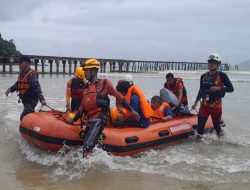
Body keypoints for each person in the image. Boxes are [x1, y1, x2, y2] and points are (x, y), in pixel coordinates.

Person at [65, 59, 139, 157]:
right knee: (86, 144)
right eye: (84, 70)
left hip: (100, 119)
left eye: (86, 70)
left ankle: (88, 170)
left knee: (87, 147)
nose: (84, 72)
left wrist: (132, 110)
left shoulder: (105, 83)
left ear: (94, 71)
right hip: (90, 121)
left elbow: (119, 97)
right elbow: (81, 109)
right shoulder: (85, 88)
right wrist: (72, 120)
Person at [191, 53, 234, 139]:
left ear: (218, 64)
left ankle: (223, 142)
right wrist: (195, 103)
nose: (211, 64)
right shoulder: (203, 76)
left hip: (216, 106)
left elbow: (231, 88)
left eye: (213, 63)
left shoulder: (222, 75)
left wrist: (218, 88)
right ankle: (199, 149)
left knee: (217, 128)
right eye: (209, 62)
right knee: (200, 128)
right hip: (204, 105)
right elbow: (201, 90)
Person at [5, 55, 47, 120]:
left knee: (23, 117)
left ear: (26, 63)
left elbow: (37, 87)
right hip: (25, 100)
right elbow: (18, 84)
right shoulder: (21, 73)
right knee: (29, 115)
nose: (19, 64)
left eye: (20, 62)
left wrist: (42, 99)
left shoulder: (31, 74)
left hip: (32, 100)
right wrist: (9, 89)